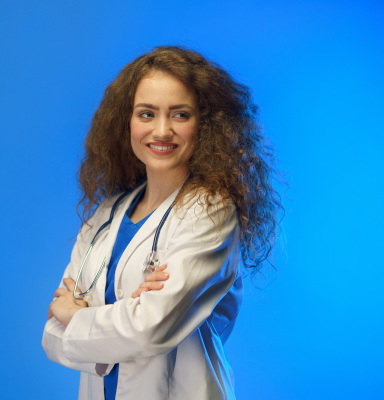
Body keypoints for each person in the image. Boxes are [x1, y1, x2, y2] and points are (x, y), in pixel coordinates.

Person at [42, 46, 281, 400]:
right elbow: (51, 337)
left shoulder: (211, 212)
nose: (162, 130)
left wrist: (76, 318)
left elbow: (150, 329)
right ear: (126, 122)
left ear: (206, 124)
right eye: (147, 113)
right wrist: (126, 318)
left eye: (180, 114)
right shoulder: (106, 216)